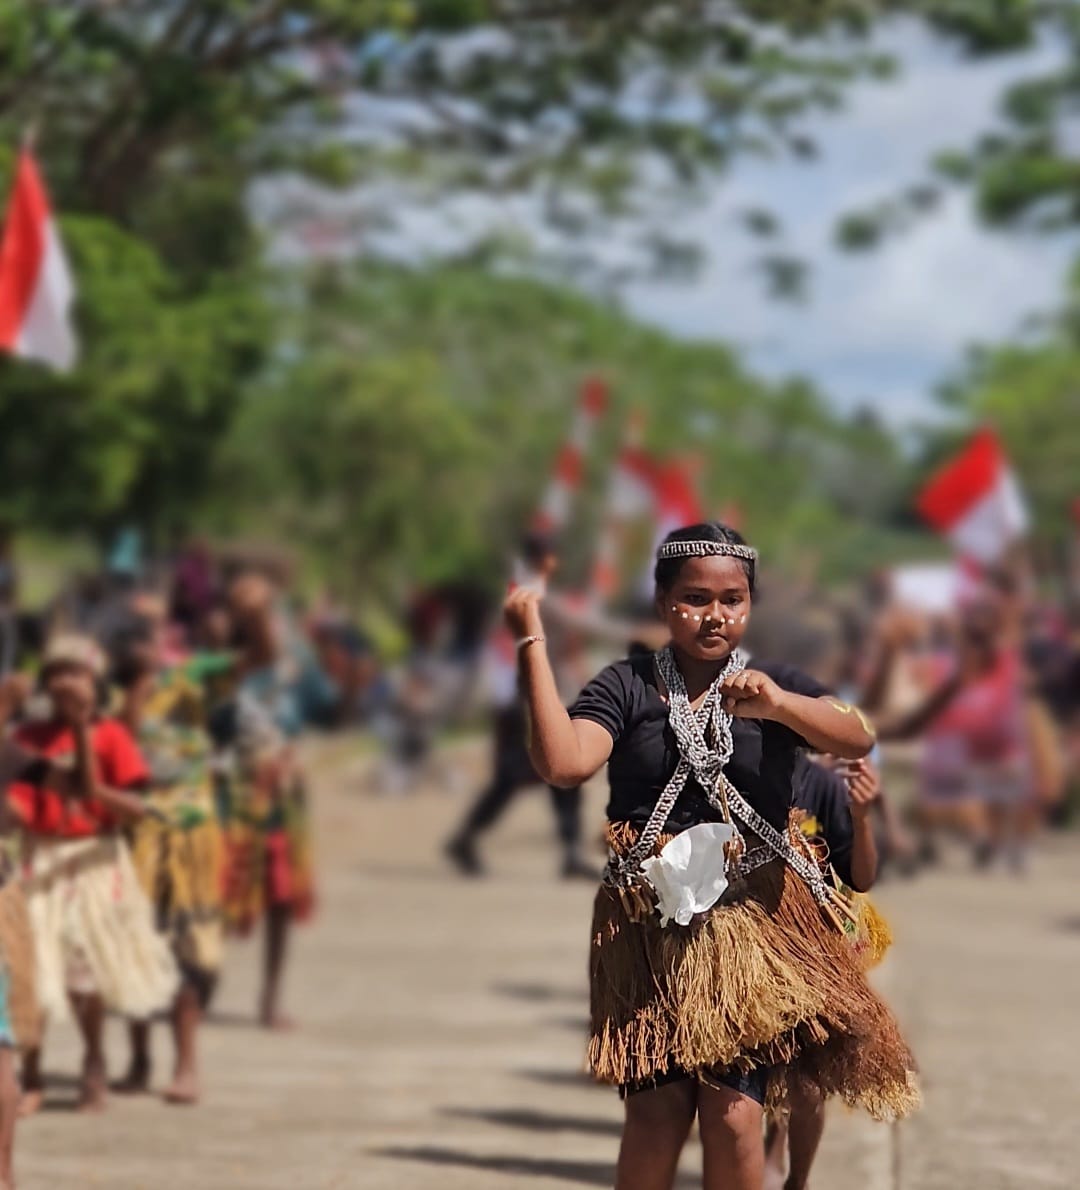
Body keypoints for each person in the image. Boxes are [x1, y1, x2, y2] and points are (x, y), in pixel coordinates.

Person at [507, 522, 918, 1190]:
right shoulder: (626, 685)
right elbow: (561, 762)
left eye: (732, 600)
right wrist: (531, 639)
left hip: (750, 931)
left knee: (732, 1117)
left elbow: (856, 736)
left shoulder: (775, 682)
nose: (714, 615)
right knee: (656, 1118)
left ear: (749, 606)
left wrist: (780, 706)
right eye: (696, 598)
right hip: (645, 935)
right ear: (664, 602)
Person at [7, 635, 177, 1113]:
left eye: (75, 672)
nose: (65, 681)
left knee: (84, 973)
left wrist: (85, 741)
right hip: (38, 862)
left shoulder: (112, 735)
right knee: (30, 971)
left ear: (95, 682)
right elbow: (18, 804)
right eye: (56, 672)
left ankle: (94, 1062)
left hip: (93, 861)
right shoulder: (27, 738)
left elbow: (133, 809)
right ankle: (33, 1073)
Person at [215, 573, 337, 1028]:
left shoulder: (298, 664)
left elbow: (329, 708)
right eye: (248, 616)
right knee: (217, 885)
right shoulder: (223, 668)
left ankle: (270, 995)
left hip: (283, 793)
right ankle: (200, 982)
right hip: (232, 788)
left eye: (263, 612)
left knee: (281, 894)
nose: (259, 623)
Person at [112, 631, 225, 1105]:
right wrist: (138, 691)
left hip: (190, 839)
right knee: (136, 950)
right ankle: (138, 1060)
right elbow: (119, 749)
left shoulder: (195, 684)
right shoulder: (110, 702)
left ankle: (186, 1066)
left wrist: (255, 612)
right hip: (136, 839)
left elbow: (259, 657)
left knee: (186, 955)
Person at [764, 754, 885, 1190]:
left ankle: (796, 1179)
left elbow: (863, 877)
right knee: (751, 1073)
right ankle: (764, 1151)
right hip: (743, 941)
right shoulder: (722, 767)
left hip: (814, 948)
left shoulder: (822, 786)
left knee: (806, 1081)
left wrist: (862, 816)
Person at [445, 532, 594, 879]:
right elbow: (584, 627)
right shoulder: (532, 600)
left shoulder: (521, 597)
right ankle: (466, 838)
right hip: (525, 705)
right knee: (516, 777)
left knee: (561, 775)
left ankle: (570, 851)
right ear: (545, 561)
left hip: (536, 701)